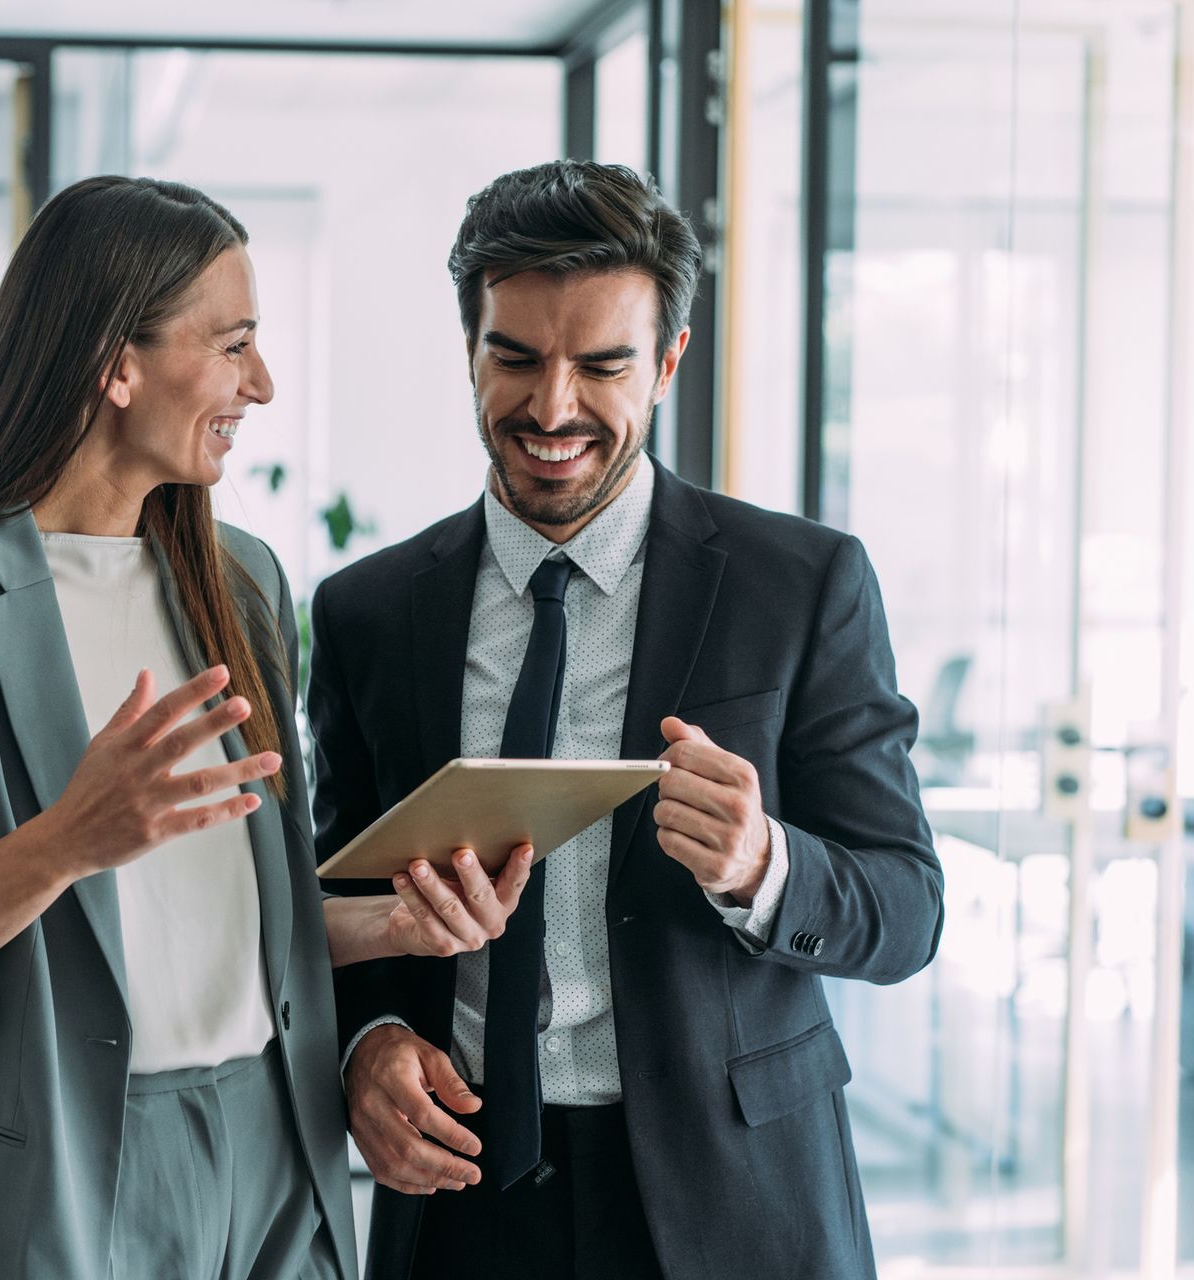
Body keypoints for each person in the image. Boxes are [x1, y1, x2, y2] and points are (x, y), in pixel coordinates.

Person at [0, 175, 531, 1280]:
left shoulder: (242, 582)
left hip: (270, 1157)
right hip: (50, 1174)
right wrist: (65, 841)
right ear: (115, 364)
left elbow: (221, 915)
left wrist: (398, 927)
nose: (261, 383)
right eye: (232, 344)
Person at [309, 160, 946, 1280]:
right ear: (470, 350)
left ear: (666, 363)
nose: (551, 409)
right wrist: (368, 1043)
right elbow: (340, 896)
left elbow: (907, 905)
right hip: (461, 1199)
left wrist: (765, 865)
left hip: (735, 1203)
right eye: (515, 359)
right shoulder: (366, 612)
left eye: (602, 365)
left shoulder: (799, 584)